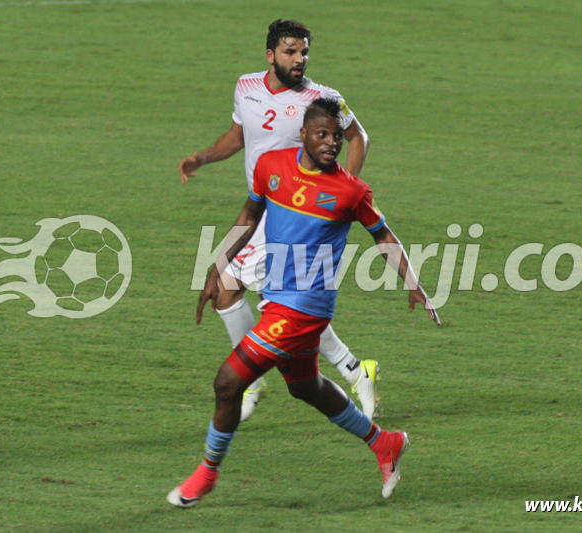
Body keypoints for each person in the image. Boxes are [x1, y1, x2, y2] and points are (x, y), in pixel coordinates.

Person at [168, 98, 440, 508]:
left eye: (337, 135)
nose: (332, 143)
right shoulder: (271, 167)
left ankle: (206, 475)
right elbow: (249, 216)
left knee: (227, 383)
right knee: (305, 387)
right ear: (304, 135)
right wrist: (217, 267)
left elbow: (383, 235)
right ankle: (385, 443)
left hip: (305, 308)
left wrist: (413, 282)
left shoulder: (350, 190)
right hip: (276, 296)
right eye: (323, 134)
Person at [180, 19, 379, 421]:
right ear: (271, 55)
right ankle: (354, 370)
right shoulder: (246, 88)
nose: (299, 59)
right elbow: (238, 137)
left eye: (304, 52)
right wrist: (202, 157)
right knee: (253, 297)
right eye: (291, 52)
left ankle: (252, 380)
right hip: (261, 212)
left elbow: (358, 137)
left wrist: (343, 191)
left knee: (250, 296)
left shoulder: (322, 98)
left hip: (295, 217)